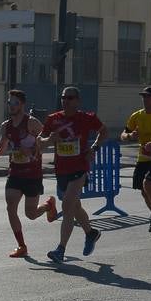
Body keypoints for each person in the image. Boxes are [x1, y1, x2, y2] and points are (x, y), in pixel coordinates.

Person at [0, 89, 58, 258]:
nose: (11, 106)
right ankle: (21, 245)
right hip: (15, 173)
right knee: (11, 208)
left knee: (30, 214)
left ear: (22, 105)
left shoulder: (32, 123)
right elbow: (2, 145)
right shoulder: (6, 126)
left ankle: (48, 206)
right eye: (9, 102)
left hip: (32, 174)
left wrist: (31, 149)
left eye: (15, 103)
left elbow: (46, 142)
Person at [40, 86, 108, 263]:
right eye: (63, 97)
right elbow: (40, 142)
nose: (66, 100)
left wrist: (94, 148)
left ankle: (60, 249)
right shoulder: (53, 119)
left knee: (68, 205)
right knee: (74, 206)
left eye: (70, 98)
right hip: (61, 169)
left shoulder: (86, 118)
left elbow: (104, 131)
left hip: (80, 168)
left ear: (77, 100)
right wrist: (49, 140)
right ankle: (91, 233)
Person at [120, 86, 151, 236]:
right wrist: (129, 136)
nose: (145, 99)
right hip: (143, 157)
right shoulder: (137, 116)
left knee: (148, 184)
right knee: (143, 191)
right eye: (143, 96)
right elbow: (123, 134)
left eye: (148, 96)